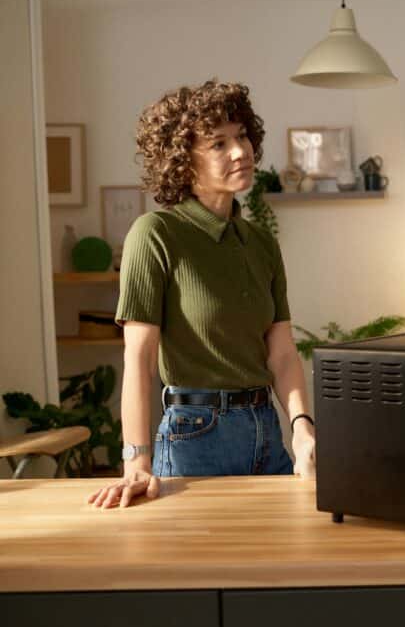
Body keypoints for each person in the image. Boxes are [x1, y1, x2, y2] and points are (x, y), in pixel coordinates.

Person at [87, 80, 315, 509]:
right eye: (218, 143)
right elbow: (138, 356)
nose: (239, 151)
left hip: (267, 430)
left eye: (242, 135)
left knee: (284, 568)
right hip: (195, 436)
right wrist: (135, 460)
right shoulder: (155, 234)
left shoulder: (261, 242)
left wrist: (302, 428)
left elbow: (282, 353)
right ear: (182, 160)